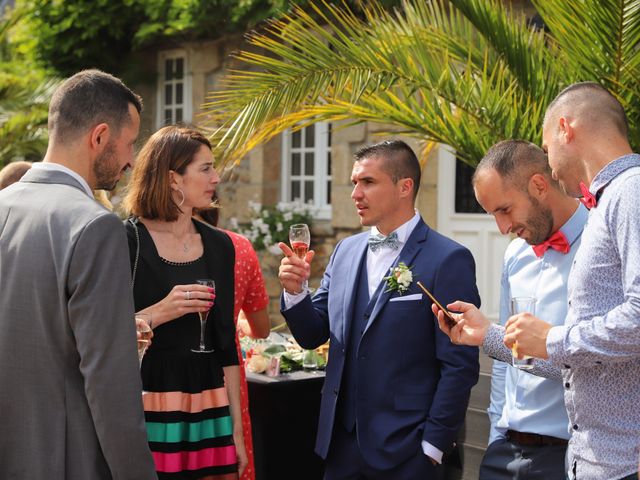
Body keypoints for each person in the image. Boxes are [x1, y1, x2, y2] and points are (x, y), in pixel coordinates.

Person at [436, 82, 640, 480]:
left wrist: (550, 340)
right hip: (587, 459)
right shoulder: (612, 200)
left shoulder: (630, 193)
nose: (550, 161)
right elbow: (580, 364)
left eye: (547, 149)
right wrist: (488, 336)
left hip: (615, 462)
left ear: (566, 128)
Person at [278, 140, 480, 479]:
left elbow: (459, 364)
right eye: (354, 182)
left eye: (368, 182)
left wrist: (433, 445)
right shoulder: (345, 251)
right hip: (341, 449)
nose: (356, 193)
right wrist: (296, 292)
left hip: (408, 453)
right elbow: (312, 334)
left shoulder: (447, 259)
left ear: (405, 187)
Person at [0, 70, 155, 478]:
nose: (132, 160)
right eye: (131, 143)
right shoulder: (94, 226)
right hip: (66, 459)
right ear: (100, 137)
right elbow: (110, 382)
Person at [122, 125, 248, 479]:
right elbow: (103, 330)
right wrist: (161, 312)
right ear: (173, 178)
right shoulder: (126, 241)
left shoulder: (221, 245)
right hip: (149, 400)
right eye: (205, 168)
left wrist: (236, 433)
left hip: (209, 403)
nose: (216, 177)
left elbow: (227, 347)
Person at [462, 140, 586, 479]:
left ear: (539, 185)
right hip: (504, 454)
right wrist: (495, 436)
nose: (502, 229)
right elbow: (506, 356)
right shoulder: (515, 256)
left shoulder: (599, 245)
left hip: (569, 457)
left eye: (505, 210)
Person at [197, 196, 271, 480]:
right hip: (228, 374)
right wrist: (238, 321)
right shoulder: (239, 246)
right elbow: (261, 329)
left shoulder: (152, 244)